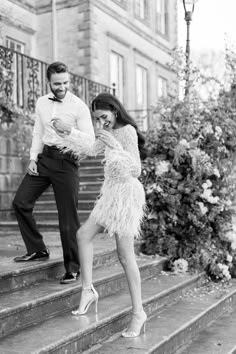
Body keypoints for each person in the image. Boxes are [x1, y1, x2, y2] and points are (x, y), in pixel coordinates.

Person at [52, 92, 147, 337]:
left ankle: (138, 313)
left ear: (115, 110)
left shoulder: (127, 131)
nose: (100, 123)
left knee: (125, 256)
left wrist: (116, 147)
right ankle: (88, 291)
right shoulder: (105, 130)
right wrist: (67, 131)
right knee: (83, 235)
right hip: (109, 195)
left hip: (126, 197)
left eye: (103, 117)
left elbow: (136, 170)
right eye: (96, 119)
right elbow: (92, 148)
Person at [12, 61, 95, 284]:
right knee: (20, 202)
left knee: (68, 218)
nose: (62, 87)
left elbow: (91, 142)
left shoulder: (79, 106)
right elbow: (38, 132)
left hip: (66, 162)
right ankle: (37, 249)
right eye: (57, 83)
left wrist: (70, 131)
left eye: (65, 82)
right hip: (44, 159)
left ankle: (73, 267)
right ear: (48, 81)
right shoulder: (41, 103)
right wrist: (32, 158)